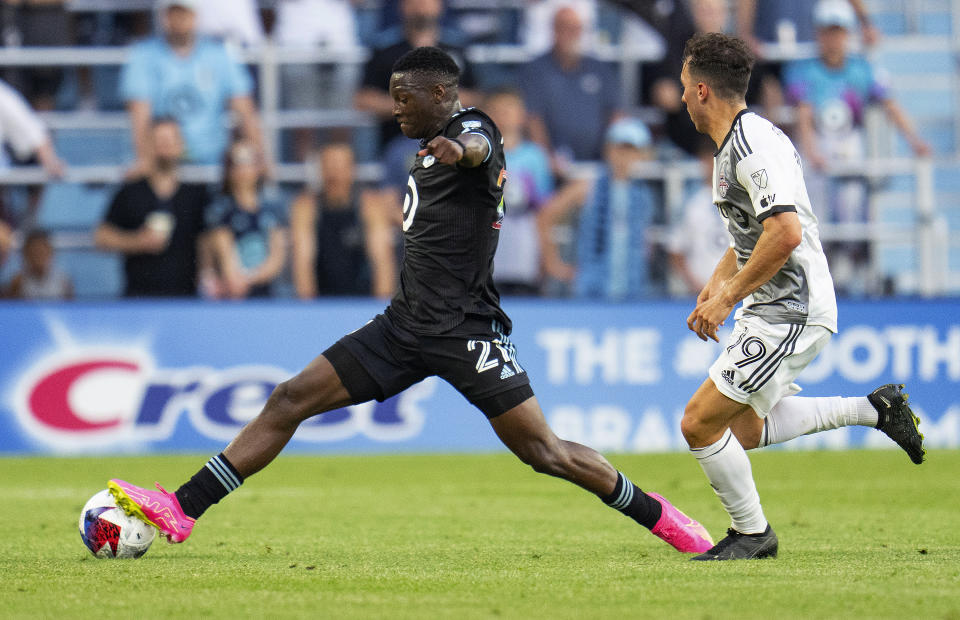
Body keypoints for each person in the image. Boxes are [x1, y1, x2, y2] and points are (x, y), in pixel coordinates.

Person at [106, 46, 714, 556]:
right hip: (403, 326)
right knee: (288, 398)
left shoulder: (475, 129)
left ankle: (666, 520)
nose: (395, 107)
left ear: (442, 93)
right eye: (392, 95)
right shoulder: (422, 148)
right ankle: (182, 508)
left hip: (465, 332)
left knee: (545, 452)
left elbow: (477, 145)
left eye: (405, 97)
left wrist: (462, 149)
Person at [677, 32, 924, 561]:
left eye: (682, 86)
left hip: (793, 309)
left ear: (701, 91)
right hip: (772, 306)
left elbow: (785, 233)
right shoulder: (739, 143)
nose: (679, 98)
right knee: (741, 428)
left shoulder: (751, 148)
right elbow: (753, 231)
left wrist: (727, 299)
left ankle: (752, 534)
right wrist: (717, 286)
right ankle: (874, 409)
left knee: (698, 423)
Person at [783, 0, 931, 295]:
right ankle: (814, 281)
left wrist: (914, 140)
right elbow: (803, 114)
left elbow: (891, 106)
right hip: (818, 151)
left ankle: (852, 276)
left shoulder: (862, 70)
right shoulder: (805, 70)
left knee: (853, 212)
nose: (833, 39)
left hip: (849, 149)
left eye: (838, 32)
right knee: (815, 217)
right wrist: (811, 151)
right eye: (827, 32)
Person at [120, 0, 265, 176]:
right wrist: (144, 159)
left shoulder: (219, 53)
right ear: (163, 17)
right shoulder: (143, 55)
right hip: (164, 162)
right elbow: (139, 115)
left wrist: (260, 156)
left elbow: (245, 110)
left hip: (212, 160)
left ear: (195, 15)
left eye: (184, 13)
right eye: (173, 13)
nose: (179, 20)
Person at [537, 117, 659, 300]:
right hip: (590, 291)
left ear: (642, 154)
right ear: (608, 150)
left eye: (631, 151)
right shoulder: (588, 186)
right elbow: (546, 215)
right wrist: (553, 264)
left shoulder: (644, 194)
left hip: (633, 291)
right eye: (620, 149)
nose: (624, 157)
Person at [94, 118, 210, 298]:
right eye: (159, 140)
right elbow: (102, 237)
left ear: (181, 144)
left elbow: (207, 239)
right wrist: (137, 241)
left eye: (170, 140)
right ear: (148, 145)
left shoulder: (196, 192)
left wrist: (207, 277)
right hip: (139, 299)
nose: (165, 146)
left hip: (186, 300)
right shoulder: (130, 191)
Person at [518, 5, 623, 170]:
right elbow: (532, 117)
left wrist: (611, 155)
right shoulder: (536, 70)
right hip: (551, 163)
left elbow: (615, 114)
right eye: (564, 27)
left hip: (598, 162)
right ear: (553, 30)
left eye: (575, 29)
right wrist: (547, 159)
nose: (570, 34)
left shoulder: (599, 68)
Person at [290, 142, 398, 298]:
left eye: (340, 167)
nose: (335, 174)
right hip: (321, 301)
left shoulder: (370, 206)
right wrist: (309, 311)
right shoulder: (306, 207)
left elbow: (382, 264)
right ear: (320, 169)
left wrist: (379, 312)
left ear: (352, 170)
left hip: (363, 300)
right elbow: (303, 264)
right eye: (329, 166)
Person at [484, 88, 553, 296]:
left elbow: (544, 210)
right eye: (497, 110)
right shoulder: (476, 156)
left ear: (522, 115)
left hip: (525, 253)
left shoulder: (535, 157)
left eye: (510, 109)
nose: (504, 115)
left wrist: (544, 256)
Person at [205, 139, 287, 299]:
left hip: (266, 293)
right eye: (237, 163)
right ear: (228, 169)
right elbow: (225, 251)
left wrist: (249, 278)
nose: (243, 169)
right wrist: (235, 279)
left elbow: (277, 258)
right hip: (231, 292)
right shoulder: (220, 209)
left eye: (248, 162)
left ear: (258, 167)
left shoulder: (272, 208)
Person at [668, 139, 731, 295]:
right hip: (698, 293)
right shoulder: (688, 201)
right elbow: (676, 251)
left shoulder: (745, 201)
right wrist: (696, 286)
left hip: (737, 295)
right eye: (710, 159)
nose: (715, 165)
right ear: (702, 161)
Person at [4, 229, 73, 300]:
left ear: (50, 252)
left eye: (42, 252)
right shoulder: (18, 282)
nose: (38, 257)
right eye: (34, 253)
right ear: (25, 254)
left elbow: (71, 308)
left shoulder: (63, 282)